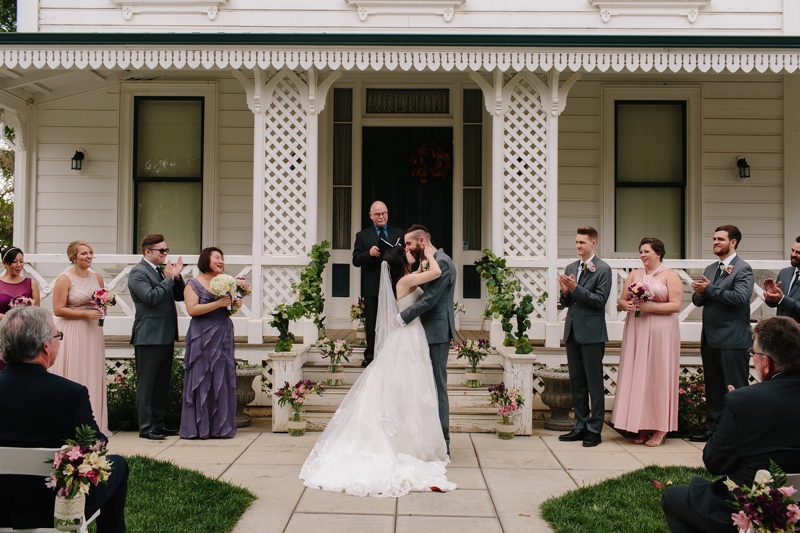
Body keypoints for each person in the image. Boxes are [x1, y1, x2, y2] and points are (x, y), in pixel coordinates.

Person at [300, 245, 455, 497]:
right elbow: (436, 273)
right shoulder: (407, 280)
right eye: (405, 251)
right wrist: (429, 255)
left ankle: (408, 439)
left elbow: (421, 275)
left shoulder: (405, 278)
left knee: (410, 387)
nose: (409, 251)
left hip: (410, 336)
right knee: (411, 385)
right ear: (400, 261)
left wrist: (420, 262)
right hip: (410, 338)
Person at [660, 316, 800, 533]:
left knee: (673, 497)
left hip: (751, 509)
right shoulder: (745, 400)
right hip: (796, 510)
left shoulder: (744, 401)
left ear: (766, 362)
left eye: (753, 354)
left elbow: (714, 463)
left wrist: (733, 413)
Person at [0, 306, 129, 533]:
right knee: (118, 465)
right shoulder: (71, 393)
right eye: (57, 336)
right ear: (46, 347)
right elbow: (94, 447)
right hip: (57, 506)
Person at [611, 238, 682, 447]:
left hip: (662, 332)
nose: (642, 255)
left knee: (658, 375)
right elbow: (622, 300)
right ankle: (641, 426)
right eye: (641, 251)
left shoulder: (670, 275)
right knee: (638, 373)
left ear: (658, 253)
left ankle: (660, 428)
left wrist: (649, 307)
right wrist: (628, 306)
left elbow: (676, 305)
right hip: (637, 329)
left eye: (646, 251)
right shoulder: (635, 274)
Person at [689, 225, 754, 443]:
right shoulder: (710, 269)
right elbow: (700, 300)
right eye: (714, 238)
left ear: (733, 242)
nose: (715, 242)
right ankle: (713, 428)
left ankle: (739, 431)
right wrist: (699, 293)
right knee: (714, 385)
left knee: (735, 387)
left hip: (733, 339)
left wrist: (709, 290)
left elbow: (740, 298)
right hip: (710, 337)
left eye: (720, 239)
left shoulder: (743, 269)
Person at [399, 224, 457, 454]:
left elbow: (429, 300)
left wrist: (401, 318)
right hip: (426, 331)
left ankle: (444, 442)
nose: (407, 248)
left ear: (421, 241)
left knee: (438, 386)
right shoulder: (432, 260)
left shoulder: (442, 261)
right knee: (427, 386)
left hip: (437, 332)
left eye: (409, 244)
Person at [558, 226, 612, 447]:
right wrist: (565, 292)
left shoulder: (603, 269)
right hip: (572, 331)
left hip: (592, 333)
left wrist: (576, 288)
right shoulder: (571, 267)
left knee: (594, 384)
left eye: (582, 242)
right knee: (577, 382)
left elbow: (600, 300)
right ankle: (579, 426)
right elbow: (568, 303)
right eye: (577, 242)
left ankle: (594, 429)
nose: (578, 246)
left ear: (593, 243)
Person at [128, 234, 185, 441]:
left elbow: (180, 295)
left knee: (161, 383)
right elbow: (151, 298)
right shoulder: (138, 273)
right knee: (147, 384)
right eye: (161, 251)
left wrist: (176, 277)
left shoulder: (161, 272)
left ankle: (159, 425)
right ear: (147, 252)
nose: (165, 254)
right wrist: (169, 279)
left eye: (166, 250)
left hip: (166, 334)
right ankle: (146, 427)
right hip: (149, 335)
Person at [51, 240, 109, 435]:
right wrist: (85, 314)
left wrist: (103, 307)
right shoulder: (64, 279)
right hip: (72, 330)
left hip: (92, 331)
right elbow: (58, 310)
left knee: (92, 370)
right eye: (84, 253)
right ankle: (69, 423)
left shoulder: (97, 278)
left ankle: (94, 424)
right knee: (74, 370)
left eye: (90, 253)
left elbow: (101, 301)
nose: (89, 256)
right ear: (73, 257)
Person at [180, 247, 238, 439]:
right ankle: (199, 428)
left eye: (222, 258)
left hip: (223, 333)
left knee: (221, 378)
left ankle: (221, 428)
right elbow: (192, 309)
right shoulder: (193, 284)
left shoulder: (226, 282)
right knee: (202, 378)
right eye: (216, 258)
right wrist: (217, 304)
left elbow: (228, 310)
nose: (221, 261)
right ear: (206, 260)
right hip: (202, 336)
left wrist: (234, 306)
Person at [352, 200, 404, 367]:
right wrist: (369, 253)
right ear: (370, 216)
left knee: (394, 319)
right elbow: (355, 260)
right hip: (373, 284)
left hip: (395, 284)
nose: (381, 217)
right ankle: (371, 355)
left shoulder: (398, 233)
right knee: (373, 321)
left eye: (384, 213)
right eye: (377, 214)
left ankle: (394, 353)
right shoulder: (362, 235)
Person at [0, 246, 40, 372]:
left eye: (21, 261)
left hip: (24, 334)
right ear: (4, 263)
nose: (19, 265)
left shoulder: (31, 283)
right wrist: (10, 318)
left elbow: (37, 312)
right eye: (14, 261)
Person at [762, 236, 800, 323]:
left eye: (798, 252)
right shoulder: (785, 272)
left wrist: (782, 299)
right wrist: (771, 297)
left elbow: (783, 300)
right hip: (782, 330)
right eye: (792, 250)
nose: (793, 254)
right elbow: (776, 304)